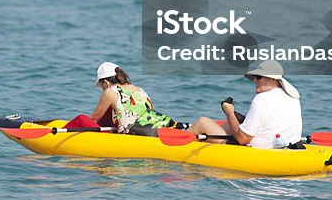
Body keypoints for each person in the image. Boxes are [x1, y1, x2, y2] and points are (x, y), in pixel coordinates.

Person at [89, 62, 227, 138]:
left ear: (106, 82)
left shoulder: (109, 91)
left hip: (138, 131)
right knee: (179, 129)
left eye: (101, 85)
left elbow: (94, 119)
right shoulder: (139, 89)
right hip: (156, 122)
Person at [220, 60, 303, 148]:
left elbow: (242, 139)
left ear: (272, 79)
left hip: (260, 151)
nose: (254, 80)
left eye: (258, 77)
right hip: (289, 148)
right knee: (227, 126)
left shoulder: (262, 99)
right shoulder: (293, 98)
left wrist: (230, 113)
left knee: (204, 122)